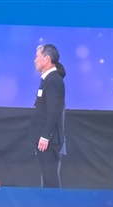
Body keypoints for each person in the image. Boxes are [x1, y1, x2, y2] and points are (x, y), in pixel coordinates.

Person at [29, 44, 66, 188]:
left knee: (50, 179)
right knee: (46, 178)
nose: (35, 60)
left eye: (37, 56)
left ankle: (53, 201)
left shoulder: (54, 80)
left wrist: (45, 136)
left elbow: (54, 111)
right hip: (45, 139)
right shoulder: (48, 79)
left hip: (50, 140)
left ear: (47, 58)